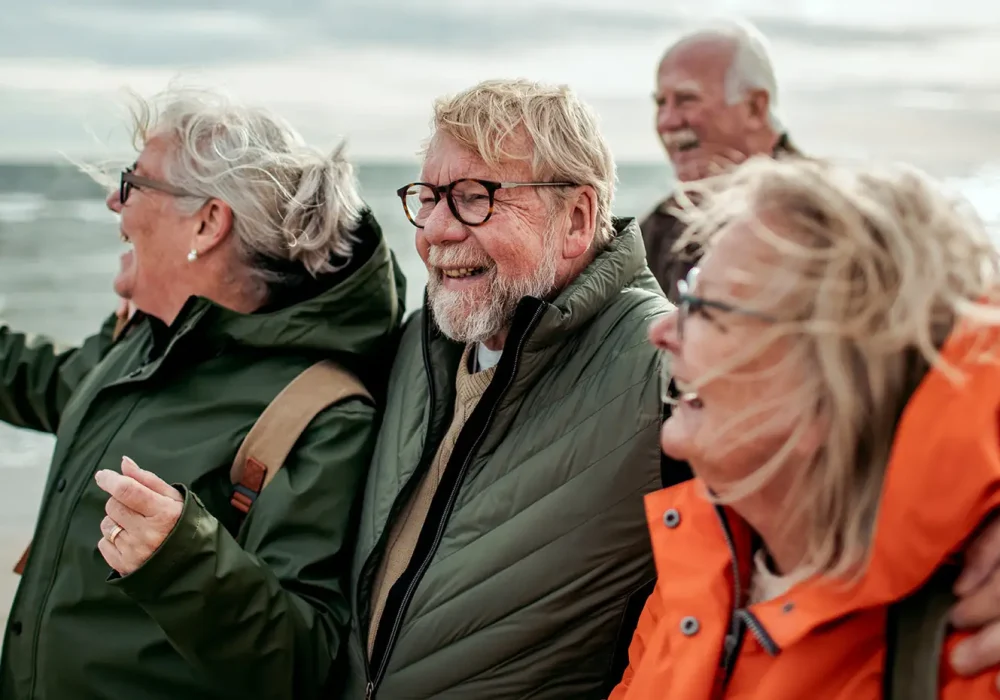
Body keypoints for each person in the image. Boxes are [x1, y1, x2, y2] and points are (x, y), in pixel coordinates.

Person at [0, 87, 405, 700]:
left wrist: (182, 557)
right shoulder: (145, 342)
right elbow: (44, 383)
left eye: (134, 182)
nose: (114, 200)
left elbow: (306, 664)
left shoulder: (318, 411)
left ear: (209, 223)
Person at [610, 155, 1000, 698]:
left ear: (835, 380)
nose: (662, 331)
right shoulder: (700, 563)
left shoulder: (972, 657)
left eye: (705, 305)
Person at [338, 78, 673, 699]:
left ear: (576, 219)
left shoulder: (663, 365)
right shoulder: (421, 346)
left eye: (474, 198)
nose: (436, 230)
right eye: (428, 198)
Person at [641, 19, 800, 301]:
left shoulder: (818, 216)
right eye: (661, 103)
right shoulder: (659, 228)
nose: (667, 121)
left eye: (686, 99)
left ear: (755, 107)